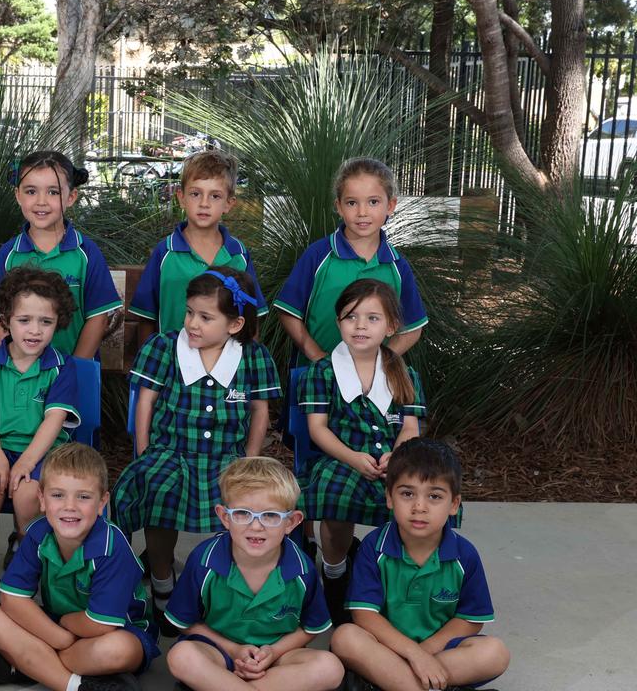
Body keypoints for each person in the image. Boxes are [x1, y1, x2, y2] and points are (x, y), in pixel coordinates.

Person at [112, 269, 279, 624]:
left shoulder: (253, 357)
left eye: (205, 317)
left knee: (241, 504)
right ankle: (161, 578)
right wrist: (144, 454)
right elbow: (146, 402)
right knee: (156, 490)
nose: (193, 323)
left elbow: (259, 411)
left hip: (227, 458)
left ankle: (222, 586)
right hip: (170, 452)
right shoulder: (164, 347)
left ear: (234, 325)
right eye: (189, 312)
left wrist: (250, 460)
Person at [0, 266, 81, 644]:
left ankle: (26, 588)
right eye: (24, 320)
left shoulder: (62, 367)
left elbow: (53, 422)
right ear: (5, 321)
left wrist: (26, 463)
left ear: (57, 322)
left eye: (45, 321)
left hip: (46, 454)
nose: (34, 330)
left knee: (30, 494)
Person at [331, 439, 510, 691]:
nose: (419, 507)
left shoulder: (464, 555)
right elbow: (364, 615)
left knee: (495, 653)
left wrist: (422, 654)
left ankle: (393, 683)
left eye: (434, 496)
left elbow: (469, 620)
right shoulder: (374, 547)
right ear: (390, 498)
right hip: (385, 649)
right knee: (345, 637)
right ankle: (426, 685)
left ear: (454, 505)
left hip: (437, 652)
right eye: (407, 493)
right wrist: (412, 655)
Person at [300, 278, 427, 623]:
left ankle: (397, 580)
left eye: (373, 318)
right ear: (338, 321)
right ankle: (335, 571)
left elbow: (410, 428)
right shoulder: (322, 372)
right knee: (336, 495)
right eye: (351, 317)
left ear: (391, 327)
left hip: (393, 460)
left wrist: (397, 458)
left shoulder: (404, 373)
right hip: (341, 457)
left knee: (415, 496)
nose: (360, 326)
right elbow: (317, 429)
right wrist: (354, 458)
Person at [0, 442, 160, 691]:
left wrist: (62, 629)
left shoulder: (112, 547)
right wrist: (62, 638)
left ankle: (32, 666)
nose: (70, 506)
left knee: (120, 650)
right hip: (60, 628)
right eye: (58, 495)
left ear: (101, 503)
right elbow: (12, 599)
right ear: (42, 499)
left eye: (84, 497)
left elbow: (102, 624)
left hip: (114, 629)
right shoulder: (37, 534)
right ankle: (77, 685)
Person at [164, 457, 343, 691]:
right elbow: (186, 622)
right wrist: (233, 649)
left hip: (277, 658)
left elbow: (311, 628)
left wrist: (274, 651)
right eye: (242, 513)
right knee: (181, 656)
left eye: (270, 516)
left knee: (330, 668)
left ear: (291, 522)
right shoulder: (204, 561)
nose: (256, 526)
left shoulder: (302, 569)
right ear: (225, 517)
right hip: (219, 652)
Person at [275, 157, 427, 363]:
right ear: (339, 206)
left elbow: (413, 328)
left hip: (371, 385)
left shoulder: (397, 265)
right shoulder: (318, 255)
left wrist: (379, 364)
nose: (362, 212)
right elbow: (288, 312)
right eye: (352, 203)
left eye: (373, 202)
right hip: (316, 378)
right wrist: (318, 358)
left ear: (390, 205)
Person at [0, 150, 123, 359]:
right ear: (18, 195)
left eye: (53, 192)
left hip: (74, 375)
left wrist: (74, 369)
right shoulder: (8, 254)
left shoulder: (87, 253)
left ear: (71, 197)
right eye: (31, 191)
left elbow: (98, 317)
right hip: (22, 376)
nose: (41, 201)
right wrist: (17, 363)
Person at [129, 149, 267, 341]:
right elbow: (146, 317)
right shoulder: (165, 252)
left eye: (215, 196)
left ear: (229, 203)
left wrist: (246, 364)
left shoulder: (239, 255)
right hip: (172, 365)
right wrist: (150, 363)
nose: (204, 203)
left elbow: (251, 319)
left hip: (225, 367)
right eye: (195, 194)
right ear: (181, 198)